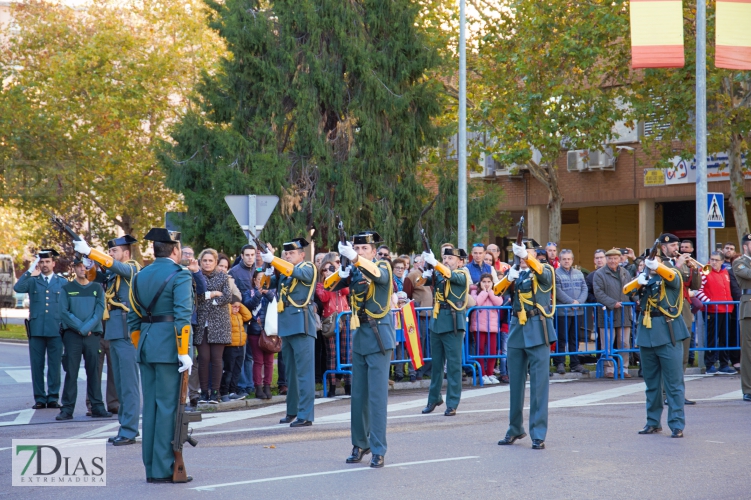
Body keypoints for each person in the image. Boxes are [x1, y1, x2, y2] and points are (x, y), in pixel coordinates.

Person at [127, 228, 195, 483]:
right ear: (175, 250)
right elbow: (182, 316)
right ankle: (164, 468)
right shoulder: (180, 275)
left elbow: (133, 318)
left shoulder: (140, 276)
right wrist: (183, 352)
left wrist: (141, 345)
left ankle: (151, 466)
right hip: (170, 348)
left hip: (146, 346)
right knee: (167, 408)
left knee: (152, 409)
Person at [75, 235, 146, 444]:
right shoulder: (116, 273)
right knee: (121, 384)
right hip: (115, 330)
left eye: (114, 252)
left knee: (129, 384)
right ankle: (125, 427)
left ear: (126, 253)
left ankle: (130, 430)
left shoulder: (132, 268)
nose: (111, 255)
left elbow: (114, 267)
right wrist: (88, 262)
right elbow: (95, 276)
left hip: (126, 330)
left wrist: (91, 252)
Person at [336, 231, 395, 469]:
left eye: (363, 249)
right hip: (360, 336)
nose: (359, 253)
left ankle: (378, 448)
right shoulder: (354, 270)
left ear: (373, 251)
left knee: (377, 398)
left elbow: (379, 276)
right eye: (356, 249)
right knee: (358, 396)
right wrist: (342, 269)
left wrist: (357, 260)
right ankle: (360, 443)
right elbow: (330, 286)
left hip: (379, 336)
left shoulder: (382, 266)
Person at [495, 241, 556, 450]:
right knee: (515, 385)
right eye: (520, 253)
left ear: (535, 253)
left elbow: (544, 276)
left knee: (539, 386)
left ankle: (538, 433)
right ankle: (514, 428)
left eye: (526, 252)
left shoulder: (544, 268)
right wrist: (508, 277)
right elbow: (496, 292)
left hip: (537, 327)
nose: (522, 256)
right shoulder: (517, 272)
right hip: (516, 329)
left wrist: (529, 259)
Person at [632, 237, 689, 438]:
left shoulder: (672, 276)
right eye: (649, 261)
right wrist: (640, 278)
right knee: (652, 384)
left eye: (654, 261)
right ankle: (653, 422)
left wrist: (657, 266)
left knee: (673, 383)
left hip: (668, 333)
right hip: (647, 334)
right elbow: (628, 291)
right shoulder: (645, 280)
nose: (651, 264)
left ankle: (676, 423)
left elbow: (672, 277)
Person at [261, 238, 318, 427]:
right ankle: (292, 410)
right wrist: (268, 265)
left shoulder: (307, 267)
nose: (288, 255)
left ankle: (306, 415)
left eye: (291, 253)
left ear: (302, 255)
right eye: (286, 253)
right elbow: (267, 285)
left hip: (302, 325)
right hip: (287, 326)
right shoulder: (285, 273)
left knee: (305, 373)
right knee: (291, 373)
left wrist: (275, 259)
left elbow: (296, 272)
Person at [56, 255, 110, 421]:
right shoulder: (67, 288)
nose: (82, 269)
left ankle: (97, 407)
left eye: (85, 266)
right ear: (74, 268)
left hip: (92, 335)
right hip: (73, 336)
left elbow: (99, 311)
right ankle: (67, 409)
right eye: (79, 266)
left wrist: (86, 328)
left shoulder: (97, 289)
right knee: (71, 372)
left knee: (94, 371)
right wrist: (81, 328)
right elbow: (64, 312)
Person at [421, 246, 470, 416]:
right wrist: (427, 268)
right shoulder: (441, 273)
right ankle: (434, 398)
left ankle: (452, 402)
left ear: (460, 261)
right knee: (436, 365)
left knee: (454, 365)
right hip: (437, 321)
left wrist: (434, 263)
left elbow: (451, 275)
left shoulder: (462, 274)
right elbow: (423, 282)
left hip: (452, 322)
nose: (446, 261)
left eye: (450, 259)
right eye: (445, 259)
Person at [13, 249, 64, 410]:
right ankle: (40, 398)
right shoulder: (33, 281)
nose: (44, 265)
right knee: (37, 365)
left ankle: (53, 397)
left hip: (56, 330)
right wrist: (30, 269)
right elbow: (18, 288)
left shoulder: (62, 282)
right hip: (36, 330)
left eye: (47, 261)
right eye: (41, 262)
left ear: (53, 263)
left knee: (55, 366)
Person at [195, 248, 232, 404]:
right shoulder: (195, 276)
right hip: (202, 322)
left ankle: (215, 393)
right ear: (200, 262)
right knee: (203, 358)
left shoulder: (223, 276)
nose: (207, 263)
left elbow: (228, 296)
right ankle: (204, 393)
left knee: (217, 359)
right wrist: (214, 294)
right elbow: (196, 296)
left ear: (216, 262)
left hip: (219, 323)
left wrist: (213, 299)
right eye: (205, 260)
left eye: (210, 260)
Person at [594, 248, 635, 378]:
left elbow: (631, 290)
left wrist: (637, 300)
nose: (613, 261)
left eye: (615, 258)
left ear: (620, 259)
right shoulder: (600, 274)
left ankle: (624, 368)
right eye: (610, 258)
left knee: (624, 343)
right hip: (607, 314)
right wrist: (612, 303)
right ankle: (609, 369)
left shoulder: (625, 273)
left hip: (624, 313)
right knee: (607, 342)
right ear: (606, 259)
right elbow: (598, 292)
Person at [698, 252, 736, 375]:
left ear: (721, 261)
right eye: (712, 259)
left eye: (716, 260)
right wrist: (710, 303)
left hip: (726, 309)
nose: (713, 262)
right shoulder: (704, 271)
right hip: (712, 310)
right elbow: (698, 290)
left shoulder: (725, 272)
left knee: (725, 338)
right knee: (712, 337)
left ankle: (724, 364)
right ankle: (710, 364)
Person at [317, 259, 351, 396]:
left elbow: (346, 291)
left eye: (330, 268)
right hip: (330, 319)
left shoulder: (340, 281)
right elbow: (323, 297)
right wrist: (329, 281)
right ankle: (332, 386)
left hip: (344, 316)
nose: (327, 271)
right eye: (324, 270)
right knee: (331, 354)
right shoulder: (320, 285)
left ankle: (349, 384)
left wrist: (337, 276)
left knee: (346, 352)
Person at [553, 249, 589, 375]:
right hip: (562, 312)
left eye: (569, 259)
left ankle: (575, 363)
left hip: (577, 311)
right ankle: (560, 363)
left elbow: (584, 288)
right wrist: (571, 302)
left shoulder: (579, 273)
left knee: (575, 338)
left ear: (572, 260)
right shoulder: (555, 273)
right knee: (561, 338)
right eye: (564, 259)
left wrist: (578, 302)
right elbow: (557, 290)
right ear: (560, 260)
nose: (566, 261)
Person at [230, 244, 257, 400]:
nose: (250, 258)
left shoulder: (257, 270)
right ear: (241, 255)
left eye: (252, 255)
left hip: (257, 318)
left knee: (252, 354)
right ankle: (242, 385)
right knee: (243, 353)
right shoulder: (234, 272)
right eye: (247, 255)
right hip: (241, 318)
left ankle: (250, 385)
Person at [469, 273, 504, 384]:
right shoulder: (475, 291)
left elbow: (499, 302)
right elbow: (477, 302)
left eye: (489, 282)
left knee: (492, 351)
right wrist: (484, 292)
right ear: (480, 282)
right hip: (479, 326)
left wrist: (491, 293)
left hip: (492, 326)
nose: (486, 284)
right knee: (480, 351)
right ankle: (482, 374)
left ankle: (490, 373)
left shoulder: (496, 290)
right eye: (484, 282)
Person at [403, 253, 433, 381]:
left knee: (430, 344)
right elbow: (406, 294)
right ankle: (417, 371)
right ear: (419, 263)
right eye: (422, 261)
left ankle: (428, 370)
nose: (425, 263)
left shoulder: (432, 275)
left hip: (431, 314)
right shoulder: (412, 275)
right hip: (419, 315)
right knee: (419, 343)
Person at [247, 269, 277, 399]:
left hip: (270, 332)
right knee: (258, 360)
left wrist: (268, 293)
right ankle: (258, 387)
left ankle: (267, 386)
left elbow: (275, 304)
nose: (261, 282)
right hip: (255, 330)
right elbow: (249, 304)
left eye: (264, 279)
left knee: (269, 361)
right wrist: (259, 294)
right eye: (259, 279)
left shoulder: (272, 293)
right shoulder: (249, 293)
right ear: (254, 280)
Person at [732, 234, 751, 402]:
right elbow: (748, 274)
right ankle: (748, 388)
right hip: (748, 309)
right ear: (746, 247)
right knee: (748, 351)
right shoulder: (739, 262)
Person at [222, 299, 251, 401]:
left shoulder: (239, 316)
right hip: (230, 346)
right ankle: (224, 392)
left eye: (238, 307)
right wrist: (230, 305)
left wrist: (239, 304)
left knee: (237, 370)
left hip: (240, 345)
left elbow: (248, 315)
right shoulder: (228, 315)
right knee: (228, 370)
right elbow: (226, 312)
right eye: (234, 307)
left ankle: (233, 391)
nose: (236, 309)